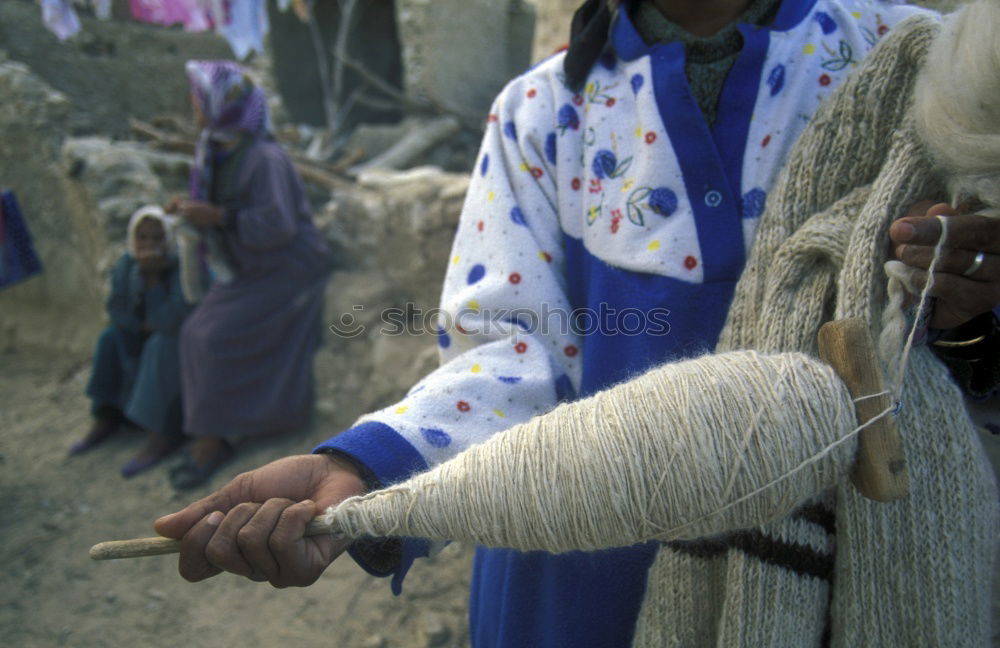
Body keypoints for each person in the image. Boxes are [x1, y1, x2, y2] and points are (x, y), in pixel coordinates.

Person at [154, 1, 1000, 646]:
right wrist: (365, 470)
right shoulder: (539, 113)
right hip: (584, 571)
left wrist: (975, 310)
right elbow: (511, 351)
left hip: (861, 558)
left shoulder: (933, 73)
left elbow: (966, 331)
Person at [164, 60, 334, 489]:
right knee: (191, 331)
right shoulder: (216, 148)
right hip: (251, 266)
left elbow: (277, 228)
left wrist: (216, 216)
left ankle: (214, 438)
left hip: (286, 266)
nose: (193, 104)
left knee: (209, 337)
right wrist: (193, 209)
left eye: (198, 96)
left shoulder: (263, 157)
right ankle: (212, 428)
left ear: (221, 104)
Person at [71, 205, 190, 477]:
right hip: (138, 335)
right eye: (143, 238)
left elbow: (173, 320)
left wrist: (153, 281)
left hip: (176, 346)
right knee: (110, 338)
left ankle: (162, 434)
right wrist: (138, 325)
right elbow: (115, 309)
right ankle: (107, 414)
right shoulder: (126, 264)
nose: (149, 245)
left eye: (157, 238)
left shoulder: (181, 266)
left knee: (162, 344)